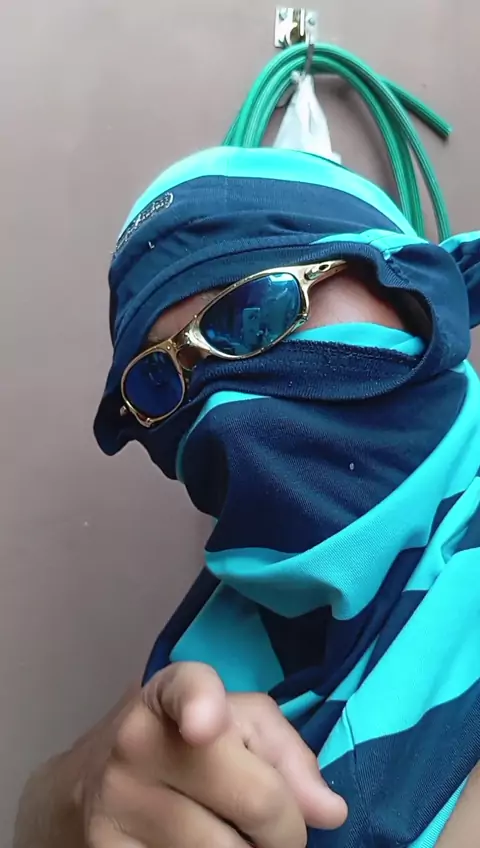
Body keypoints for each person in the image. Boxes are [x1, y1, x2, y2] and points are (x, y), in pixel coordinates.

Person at [14, 147, 480, 847]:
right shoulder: (211, 652)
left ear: (410, 294)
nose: (220, 402)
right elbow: (48, 806)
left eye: (256, 310)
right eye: (162, 382)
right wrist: (80, 792)